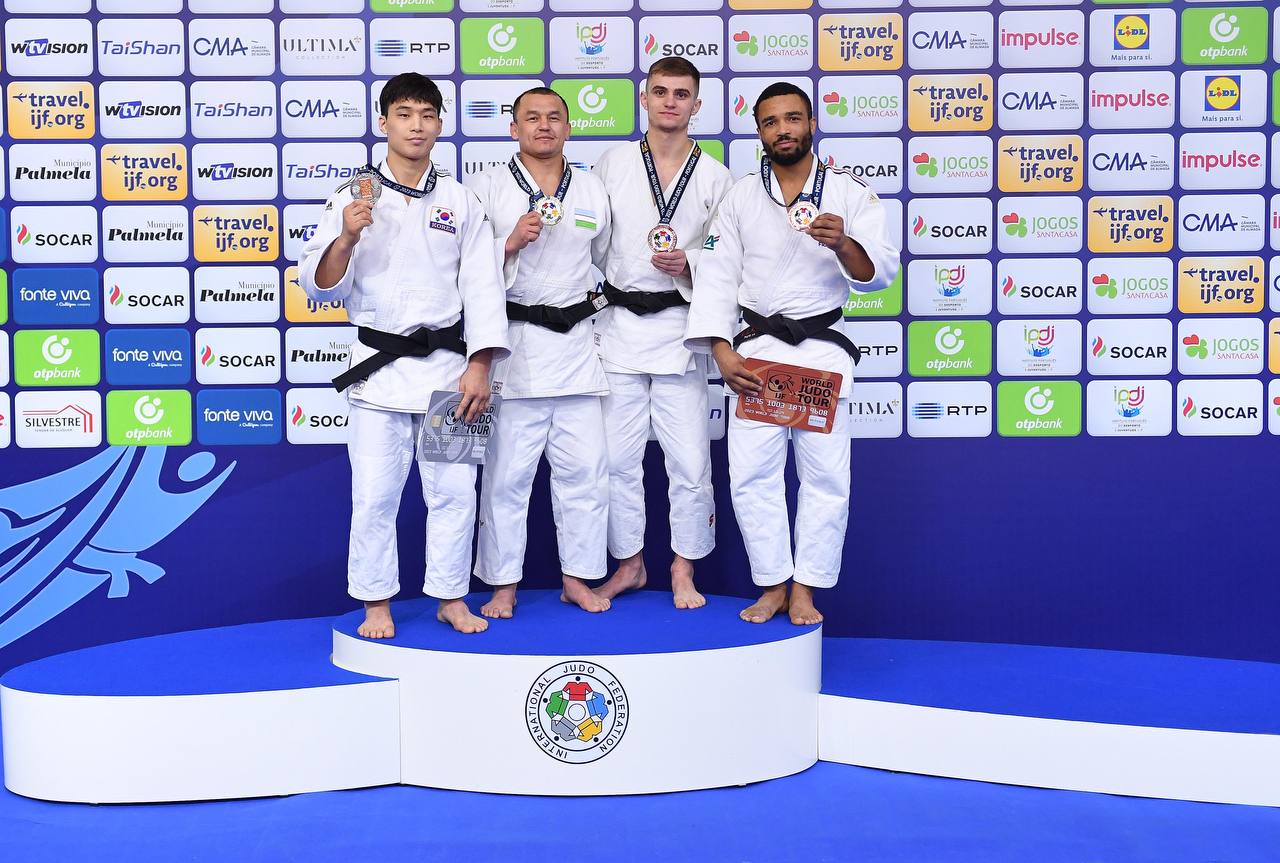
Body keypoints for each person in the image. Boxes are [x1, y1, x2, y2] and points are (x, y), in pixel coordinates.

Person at [298, 72, 509, 638]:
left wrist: (481, 365)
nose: (417, 126)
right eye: (404, 114)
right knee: (374, 495)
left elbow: (483, 287)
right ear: (383, 121)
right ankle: (376, 603)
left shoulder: (460, 200)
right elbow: (318, 284)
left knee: (455, 494)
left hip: (450, 373)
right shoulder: (354, 195)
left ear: (440, 124)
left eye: (427, 115)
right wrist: (346, 237)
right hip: (378, 376)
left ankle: (450, 596)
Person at [685, 82, 900, 625]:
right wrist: (720, 350)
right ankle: (774, 584)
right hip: (757, 355)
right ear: (760, 132)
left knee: (825, 478)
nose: (782, 130)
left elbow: (880, 274)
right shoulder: (740, 196)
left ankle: (806, 589)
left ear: (811, 124)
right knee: (752, 477)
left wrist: (843, 243)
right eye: (771, 122)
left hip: (821, 354)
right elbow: (716, 277)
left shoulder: (849, 192)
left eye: (792, 118)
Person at [589, 57, 733, 610]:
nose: (670, 102)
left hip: (680, 330)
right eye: (661, 91)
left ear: (697, 105)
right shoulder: (612, 164)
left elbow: (727, 252)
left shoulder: (716, 176)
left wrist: (691, 262)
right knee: (616, 460)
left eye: (681, 94)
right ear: (644, 98)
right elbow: (593, 243)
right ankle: (630, 563)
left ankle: (682, 566)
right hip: (620, 327)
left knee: (690, 461)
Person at [469, 87, 614, 616]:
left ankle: (578, 577)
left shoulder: (591, 188)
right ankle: (503, 584)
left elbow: (608, 262)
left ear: (569, 128)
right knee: (506, 478)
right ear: (514, 128)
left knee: (586, 474)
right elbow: (462, 266)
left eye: (555, 117)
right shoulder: (485, 187)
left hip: (576, 349)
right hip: (514, 350)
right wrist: (506, 244)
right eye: (532, 118)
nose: (544, 126)